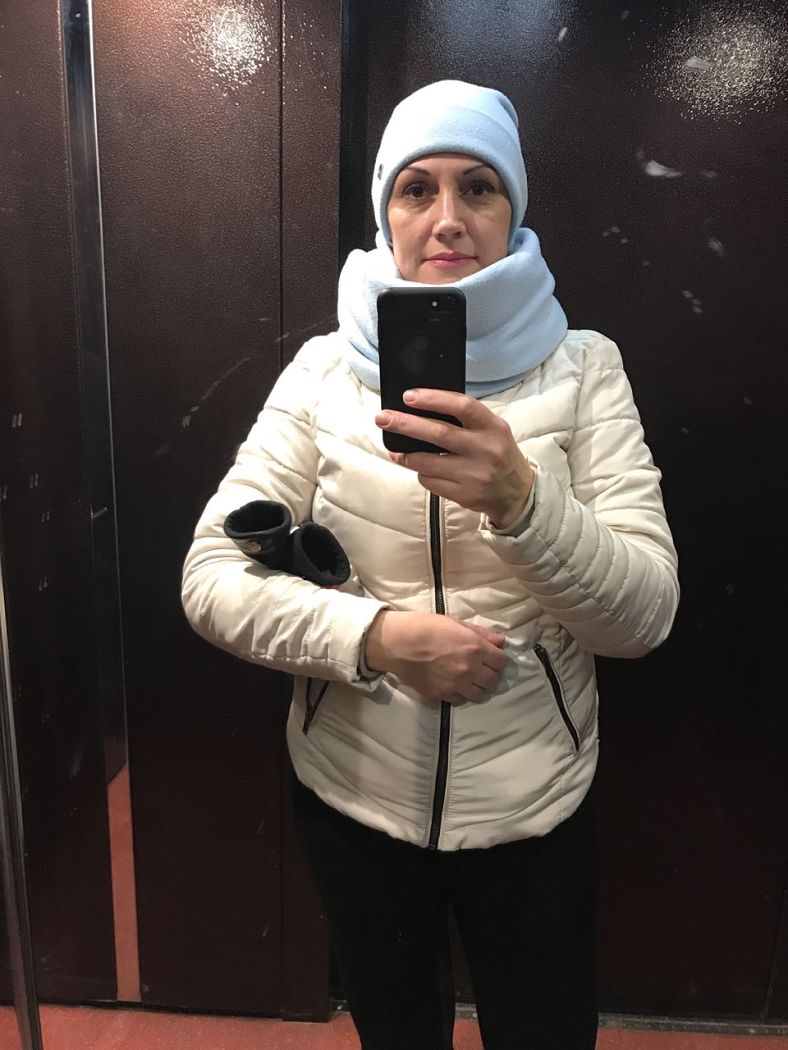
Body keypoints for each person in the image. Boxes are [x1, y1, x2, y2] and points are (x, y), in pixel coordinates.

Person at [182, 80, 679, 1050]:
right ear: (386, 214)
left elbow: (644, 616)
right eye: (416, 189)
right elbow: (210, 577)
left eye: (477, 186)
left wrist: (522, 501)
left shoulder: (585, 368)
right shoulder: (324, 371)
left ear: (512, 206)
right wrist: (377, 638)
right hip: (353, 795)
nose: (447, 218)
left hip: (534, 801)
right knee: (396, 1031)